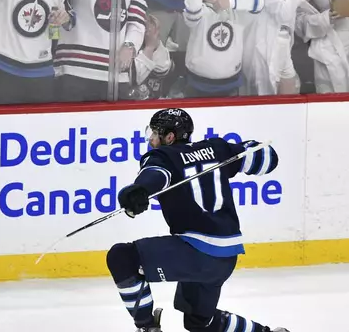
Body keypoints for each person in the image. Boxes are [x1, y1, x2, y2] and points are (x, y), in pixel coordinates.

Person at [106, 108, 289, 332]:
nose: (151, 139)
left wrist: (139, 190)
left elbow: (156, 175)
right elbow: (268, 159)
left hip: (197, 253)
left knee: (122, 257)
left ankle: (147, 328)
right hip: (226, 257)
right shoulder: (217, 149)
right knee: (200, 323)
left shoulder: (163, 156)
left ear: (169, 137)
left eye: (154, 134)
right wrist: (257, 149)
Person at [183, 0, 264, 97]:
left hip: (230, 85)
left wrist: (231, 3)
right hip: (197, 85)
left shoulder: (237, 12)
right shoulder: (199, 10)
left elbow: (260, 4)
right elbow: (192, 13)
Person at [242, 0, 306, 96]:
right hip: (268, 45)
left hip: (280, 42)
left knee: (290, 90)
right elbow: (284, 13)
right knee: (267, 99)